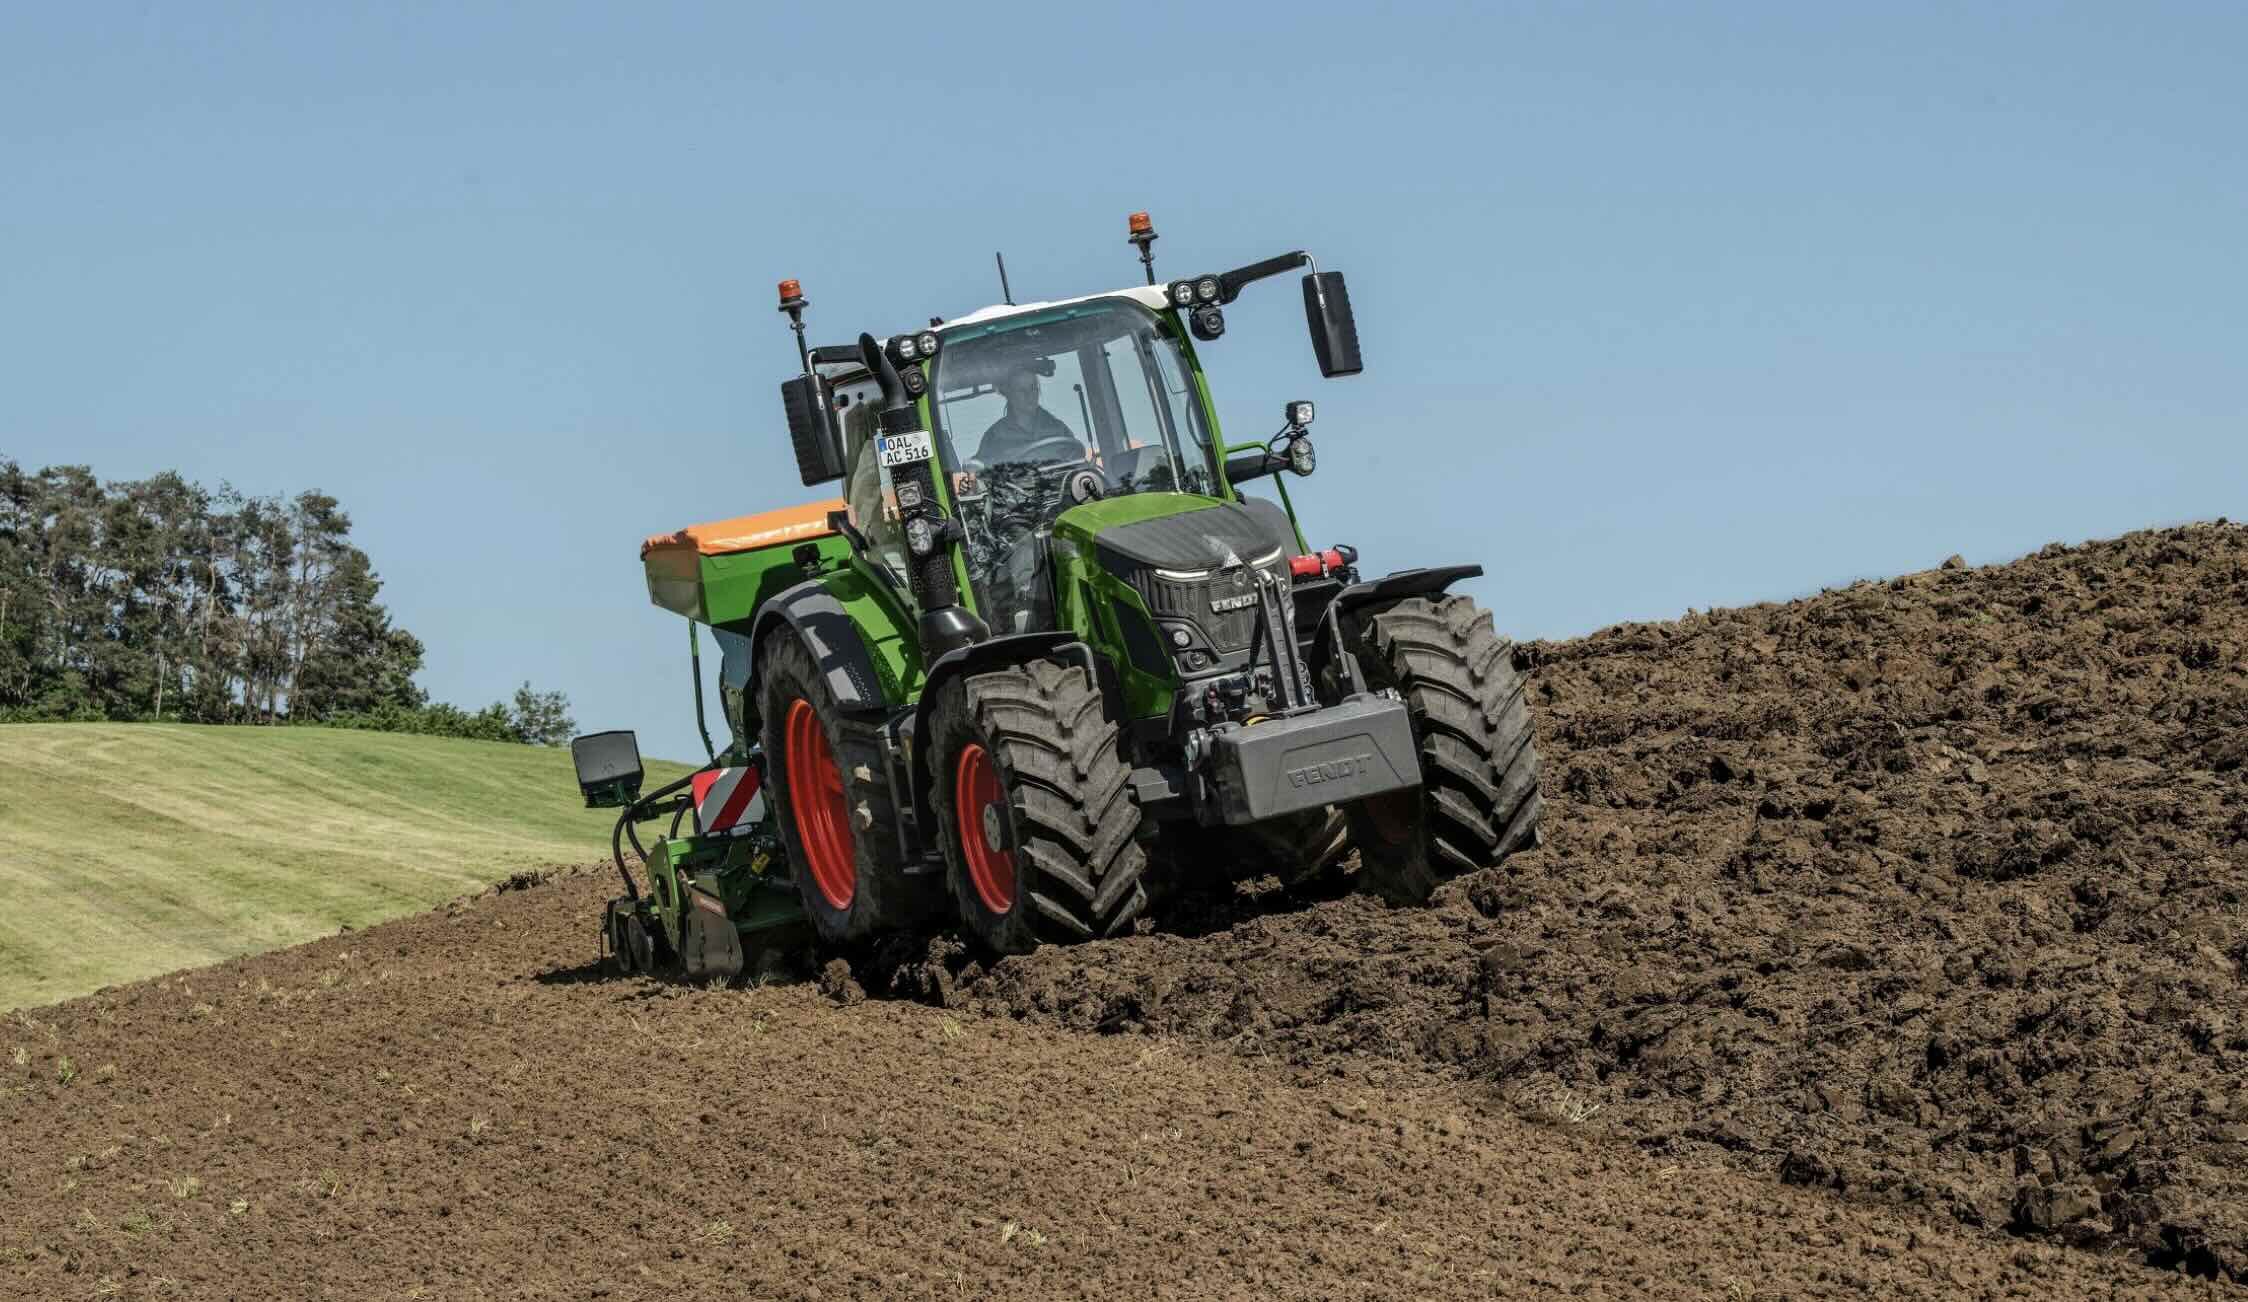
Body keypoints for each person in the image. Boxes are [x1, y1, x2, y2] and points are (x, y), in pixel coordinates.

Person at [975, 365, 1083, 467]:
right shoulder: (994, 437)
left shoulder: (1059, 429)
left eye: (1033, 387)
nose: (1029, 394)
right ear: (1009, 394)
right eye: (1022, 390)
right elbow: (983, 476)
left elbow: (1077, 464)